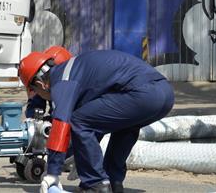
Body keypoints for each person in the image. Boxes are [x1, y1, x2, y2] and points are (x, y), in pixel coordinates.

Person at [19, 48, 174, 193]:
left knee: (77, 121)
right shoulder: (76, 69)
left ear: (40, 84)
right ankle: (113, 181)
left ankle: (95, 183)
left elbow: (62, 123)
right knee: (125, 127)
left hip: (142, 95)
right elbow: (93, 129)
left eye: (36, 92)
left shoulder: (62, 81)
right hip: (165, 94)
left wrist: (53, 171)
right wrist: (82, 160)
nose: (39, 96)